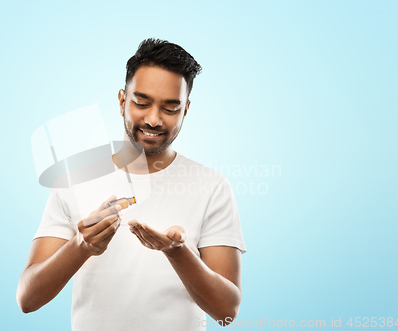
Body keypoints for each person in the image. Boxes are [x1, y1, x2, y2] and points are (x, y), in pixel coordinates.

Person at [16, 38, 246, 330]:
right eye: (142, 102)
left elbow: (226, 312)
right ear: (122, 100)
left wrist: (177, 252)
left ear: (185, 110)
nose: (153, 119)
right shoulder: (72, 180)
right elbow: (27, 299)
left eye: (170, 108)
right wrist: (82, 246)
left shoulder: (212, 186)